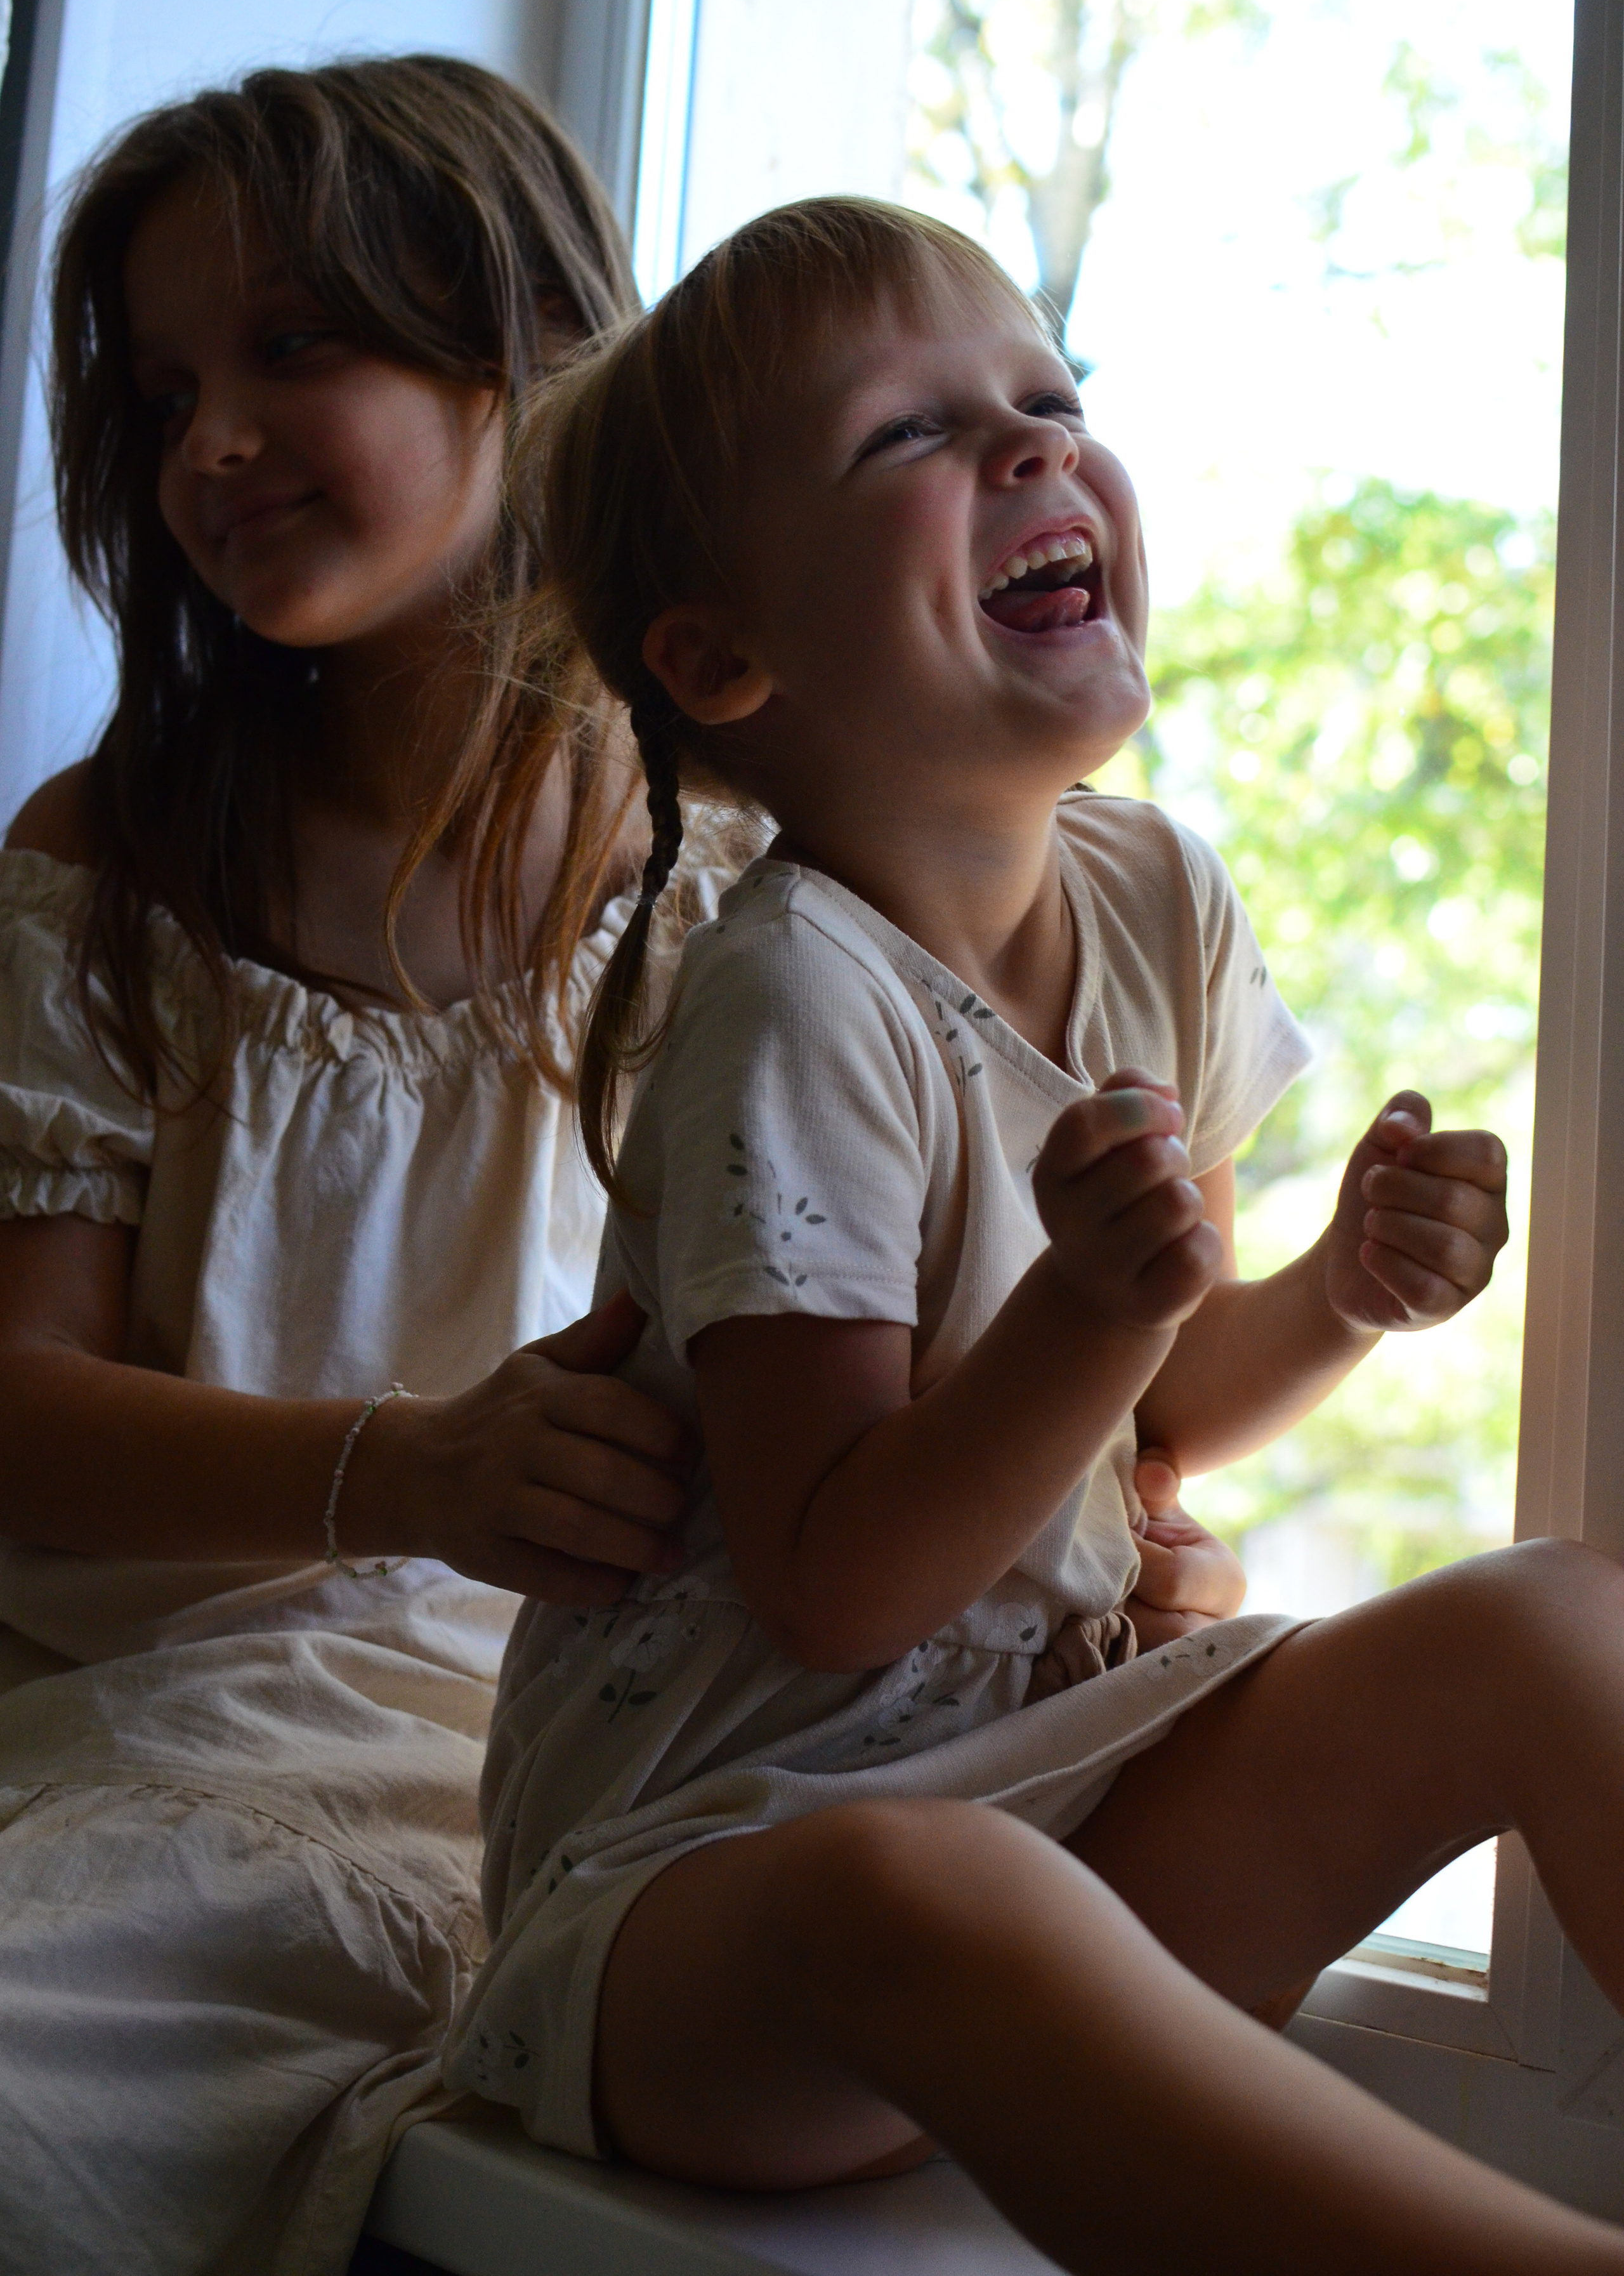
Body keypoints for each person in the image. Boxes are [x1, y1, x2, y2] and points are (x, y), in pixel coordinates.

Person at [0, 69, 1236, 2276]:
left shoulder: (793, 886)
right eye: (162, 386)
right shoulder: (108, 866)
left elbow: (925, 1405)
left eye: (299, 347)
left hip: (676, 1760)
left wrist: (1101, 1504)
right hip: (187, 1747)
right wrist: (406, 1472)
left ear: (536, 358)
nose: (210, 441)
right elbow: (22, 1411)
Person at [448, 195, 1624, 2276]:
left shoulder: (1158, 893)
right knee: (927, 1892)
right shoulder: (792, 995)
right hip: (724, 1900)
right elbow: (840, 1580)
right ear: (726, 658)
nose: (1034, 449)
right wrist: (1093, 1300)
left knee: (1552, 1617)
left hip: (1064, 1794)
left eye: (1053, 399)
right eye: (915, 434)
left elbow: (1161, 1410)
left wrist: (1337, 1296)